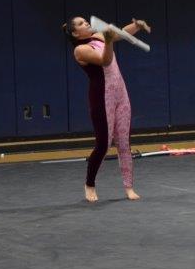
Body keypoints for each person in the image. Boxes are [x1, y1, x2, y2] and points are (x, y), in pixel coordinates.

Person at [63, 16, 151, 202]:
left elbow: (122, 34)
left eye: (85, 21)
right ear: (75, 33)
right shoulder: (80, 50)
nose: (86, 23)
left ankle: (129, 187)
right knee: (103, 145)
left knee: (124, 143)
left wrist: (136, 26)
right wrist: (109, 41)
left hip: (121, 94)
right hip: (102, 99)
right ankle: (89, 184)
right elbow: (105, 60)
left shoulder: (98, 36)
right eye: (81, 24)